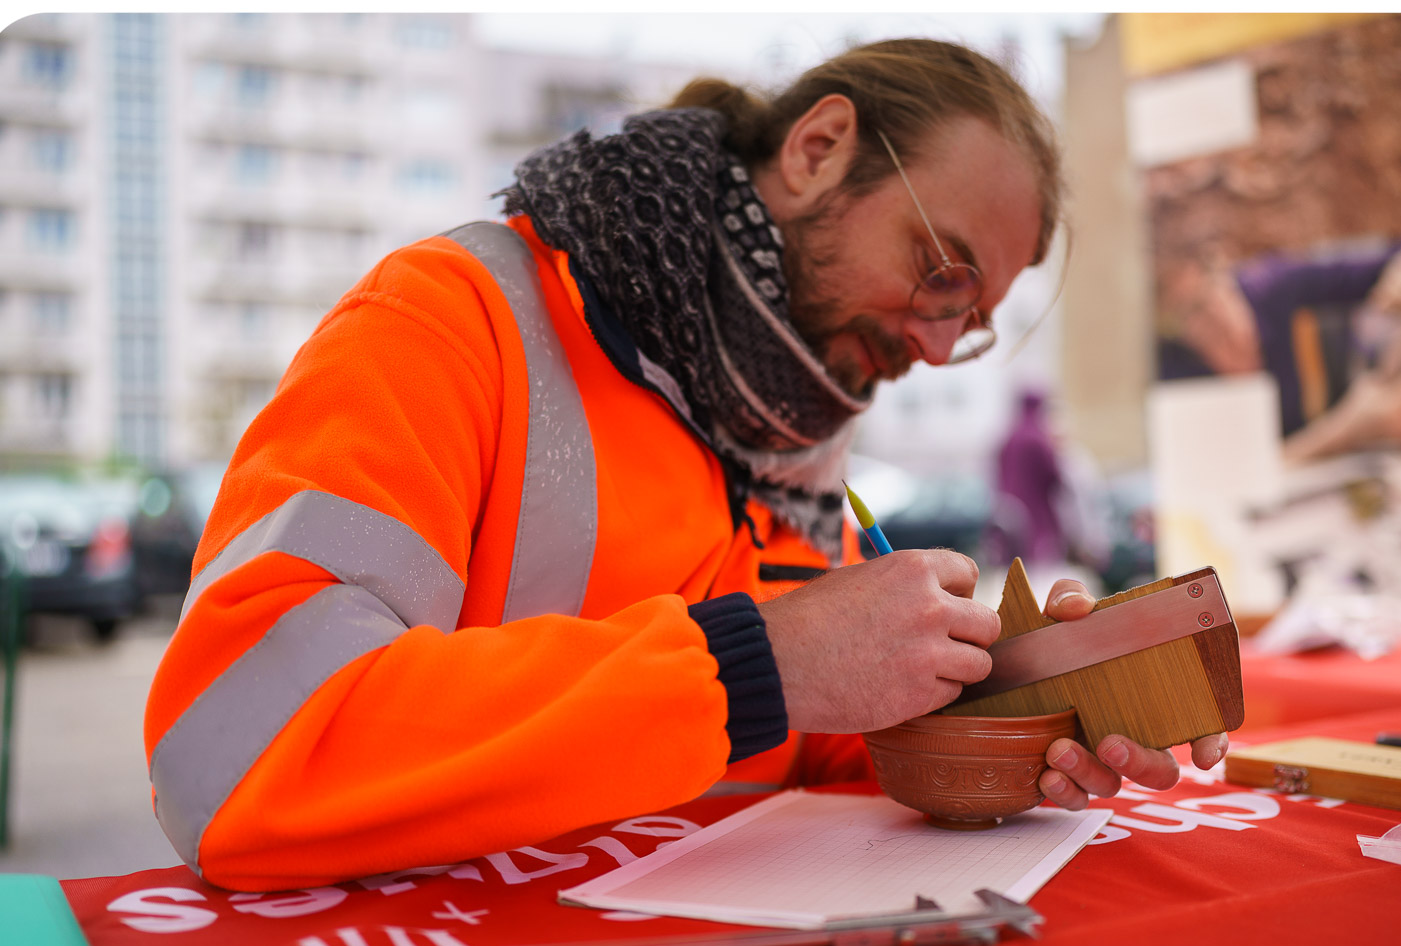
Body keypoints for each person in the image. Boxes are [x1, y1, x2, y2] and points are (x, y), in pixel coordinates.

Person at [145, 39, 1228, 891]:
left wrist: (1007, 719)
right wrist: (751, 664)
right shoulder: (450, 322)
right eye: (938, 271)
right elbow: (237, 753)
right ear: (817, 150)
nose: (939, 346)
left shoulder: (797, 445)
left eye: (976, 323)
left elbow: (809, 751)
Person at [1156, 245, 1401, 464]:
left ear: (1221, 265)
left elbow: (1398, 261)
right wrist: (1346, 431)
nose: (1213, 316)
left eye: (1210, 287)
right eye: (1187, 314)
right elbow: (1229, 477)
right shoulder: (1172, 371)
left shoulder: (1273, 288)